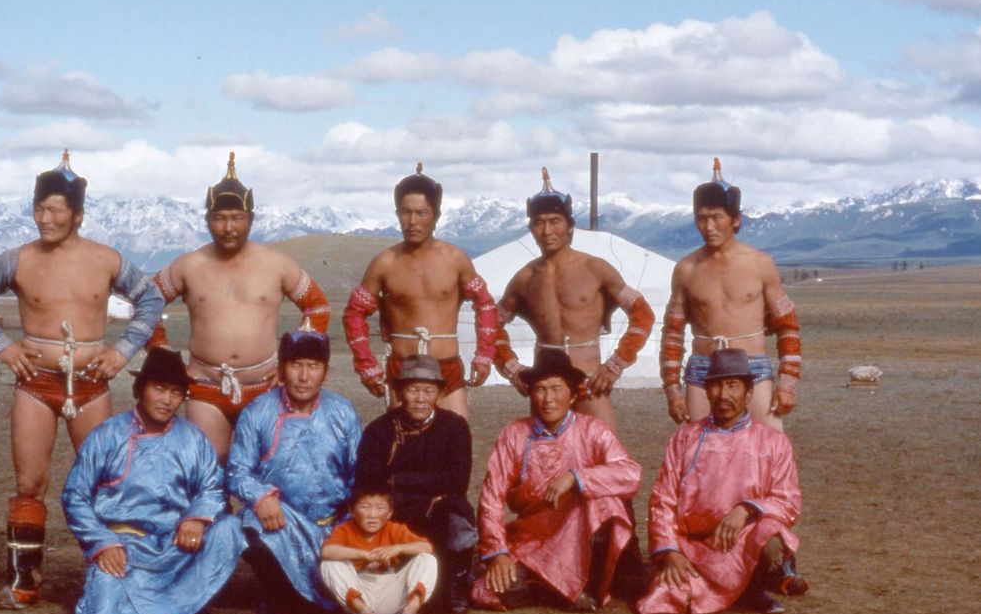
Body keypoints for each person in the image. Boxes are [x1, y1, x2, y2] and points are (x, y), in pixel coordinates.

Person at [0, 150, 164, 609]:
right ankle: (24, 580)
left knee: (104, 482)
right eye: (39, 208)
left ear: (78, 214)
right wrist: (4, 346)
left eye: (54, 210)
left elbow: (151, 299)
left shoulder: (108, 260)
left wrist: (122, 350)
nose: (44, 218)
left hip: (92, 386)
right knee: (30, 482)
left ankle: (108, 579)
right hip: (35, 384)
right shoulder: (16, 260)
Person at [146, 152, 331, 463]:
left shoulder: (277, 264)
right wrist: (162, 353)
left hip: (264, 386)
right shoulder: (189, 264)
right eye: (219, 218)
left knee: (265, 465)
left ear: (251, 219)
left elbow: (318, 307)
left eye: (237, 217)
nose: (228, 227)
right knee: (208, 468)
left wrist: (290, 360)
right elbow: (147, 301)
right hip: (205, 386)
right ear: (207, 220)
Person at [61, 348, 246, 614]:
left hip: (177, 546)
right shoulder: (107, 435)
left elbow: (213, 487)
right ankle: (182, 608)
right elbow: (75, 496)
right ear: (140, 389)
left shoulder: (193, 438)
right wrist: (103, 543)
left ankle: (168, 605)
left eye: (175, 392)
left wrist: (196, 517)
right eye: (158, 388)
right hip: (124, 548)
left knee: (230, 529)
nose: (166, 399)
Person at [637, 348, 808, 614]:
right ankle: (729, 589)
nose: (724, 394)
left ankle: (754, 589)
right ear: (706, 391)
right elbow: (662, 499)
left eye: (732, 385)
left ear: (749, 392)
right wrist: (670, 552)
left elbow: (789, 501)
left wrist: (746, 509)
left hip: (742, 541)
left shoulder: (773, 442)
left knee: (770, 537)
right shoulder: (684, 438)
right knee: (663, 601)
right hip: (691, 547)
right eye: (716, 385)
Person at [472, 350, 642, 612]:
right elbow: (492, 497)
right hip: (533, 537)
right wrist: (497, 553)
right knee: (492, 589)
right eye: (540, 389)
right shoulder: (514, 433)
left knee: (606, 502)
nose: (548, 399)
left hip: (580, 535)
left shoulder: (593, 430)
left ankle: (581, 585)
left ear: (573, 395)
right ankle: (554, 587)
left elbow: (630, 474)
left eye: (556, 389)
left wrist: (576, 478)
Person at [494, 167, 655, 434]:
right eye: (539, 222)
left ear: (570, 226)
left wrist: (615, 365)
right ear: (531, 228)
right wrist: (512, 368)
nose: (547, 230)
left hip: (591, 382)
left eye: (555, 221)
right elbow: (489, 324)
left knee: (606, 456)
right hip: (546, 384)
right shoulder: (524, 278)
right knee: (545, 460)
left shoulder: (596, 268)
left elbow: (642, 313)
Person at [227, 330, 362, 614]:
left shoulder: (343, 412)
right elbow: (237, 471)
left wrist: (351, 520)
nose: (303, 376)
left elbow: (358, 474)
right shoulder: (258, 412)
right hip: (280, 521)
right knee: (246, 527)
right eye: (296, 365)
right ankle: (275, 594)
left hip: (333, 524)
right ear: (282, 370)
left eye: (313, 366)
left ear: (325, 372)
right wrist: (261, 498)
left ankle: (307, 594)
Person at [343, 163, 497, 419]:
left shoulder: (456, 259)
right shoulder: (384, 263)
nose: (412, 221)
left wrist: (484, 355)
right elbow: (354, 314)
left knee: (455, 443)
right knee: (405, 452)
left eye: (421, 213)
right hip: (402, 370)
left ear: (435, 216)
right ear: (397, 213)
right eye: (406, 212)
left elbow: (486, 304)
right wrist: (365, 364)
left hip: (446, 367)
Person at [660, 158, 801, 431]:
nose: (708, 226)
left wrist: (787, 385)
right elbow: (672, 334)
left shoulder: (760, 264)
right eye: (701, 218)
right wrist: (672, 391)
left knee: (769, 450)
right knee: (699, 455)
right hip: (703, 370)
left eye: (716, 217)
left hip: (753, 368)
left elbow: (788, 327)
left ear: (735, 220)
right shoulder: (686, 269)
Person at [356, 354, 477, 614]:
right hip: (394, 509)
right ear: (400, 392)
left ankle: (457, 582)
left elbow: (457, 481)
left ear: (439, 393)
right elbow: (369, 479)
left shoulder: (454, 427)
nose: (420, 398)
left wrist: (399, 479)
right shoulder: (380, 430)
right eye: (412, 389)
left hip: (437, 508)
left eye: (428, 390)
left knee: (460, 514)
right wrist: (411, 488)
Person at [320, 486, 438, 614]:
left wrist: (399, 548)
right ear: (352, 510)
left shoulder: (394, 529)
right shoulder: (345, 529)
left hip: (392, 592)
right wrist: (365, 555)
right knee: (329, 563)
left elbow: (427, 547)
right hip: (359, 594)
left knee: (427, 559)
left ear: (389, 513)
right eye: (365, 507)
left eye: (380, 508)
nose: (372, 515)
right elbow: (327, 551)